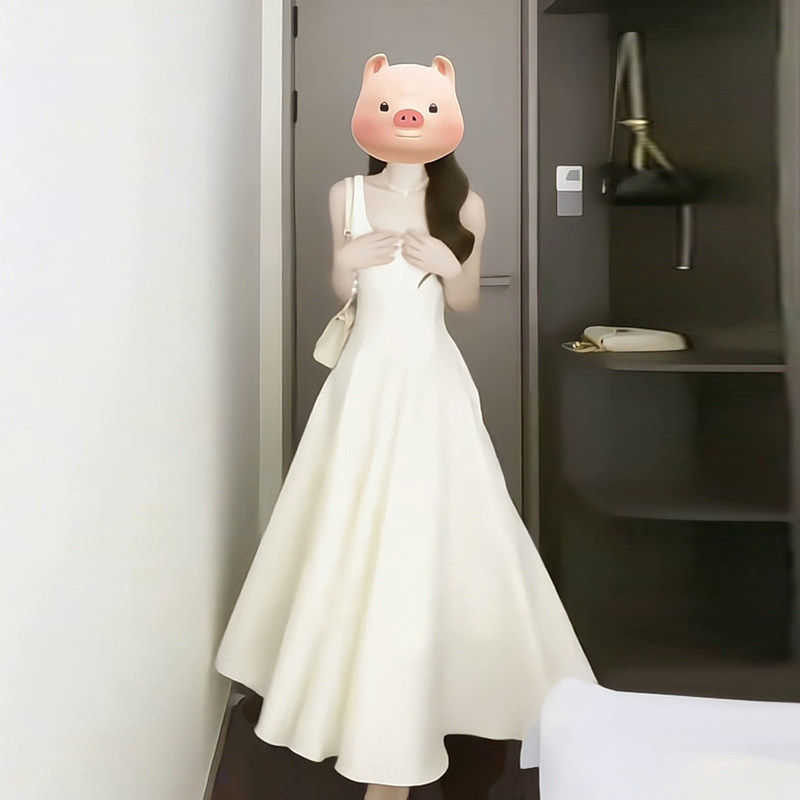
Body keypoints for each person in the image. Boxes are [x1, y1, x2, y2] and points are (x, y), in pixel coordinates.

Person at [214, 53, 596, 800]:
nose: (407, 117)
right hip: (363, 381)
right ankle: (352, 696)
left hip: (430, 381)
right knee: (351, 520)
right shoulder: (347, 193)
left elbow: (465, 304)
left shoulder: (467, 205)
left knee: (433, 524)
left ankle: (431, 699)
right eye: (391, 105)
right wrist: (349, 259)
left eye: (423, 106)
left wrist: (448, 266)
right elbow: (342, 288)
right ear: (372, 111)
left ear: (448, 115)